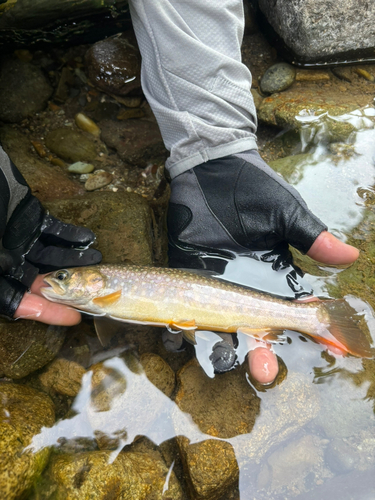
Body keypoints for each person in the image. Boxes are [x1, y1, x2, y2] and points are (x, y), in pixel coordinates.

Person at [0, 0, 359, 385]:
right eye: (67, 279)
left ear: (95, 283)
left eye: (68, 278)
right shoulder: (99, 296)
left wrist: (213, 145)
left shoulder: (103, 295)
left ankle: (311, 315)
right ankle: (312, 316)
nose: (61, 281)